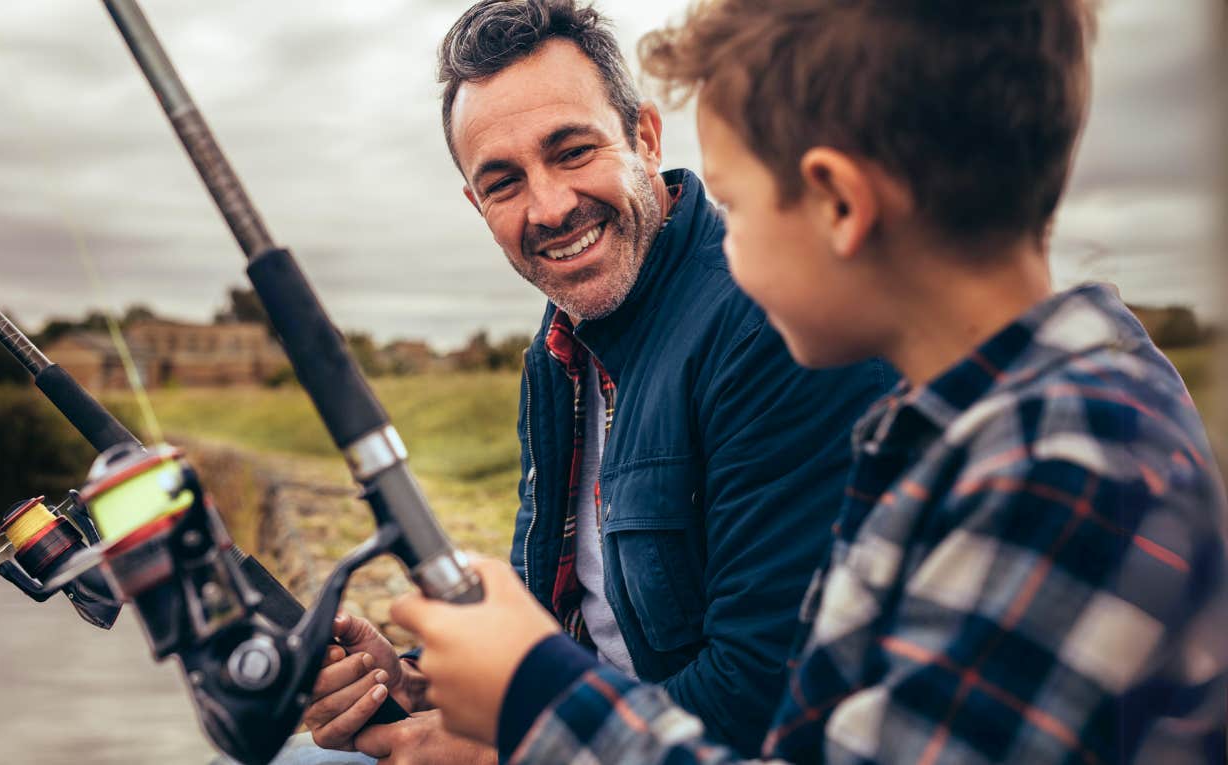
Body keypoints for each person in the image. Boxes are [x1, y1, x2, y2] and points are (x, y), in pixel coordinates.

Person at [388, 1, 1228, 763]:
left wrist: (531, 705)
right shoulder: (947, 434)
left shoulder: (1063, 471)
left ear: (837, 205)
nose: (725, 251)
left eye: (736, 204)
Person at [276, 1, 890, 764]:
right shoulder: (561, 344)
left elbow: (762, 693)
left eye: (571, 151)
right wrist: (413, 686)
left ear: (645, 137)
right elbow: (553, 629)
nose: (551, 206)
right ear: (476, 205)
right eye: (503, 182)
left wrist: (500, 746)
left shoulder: (774, 325)